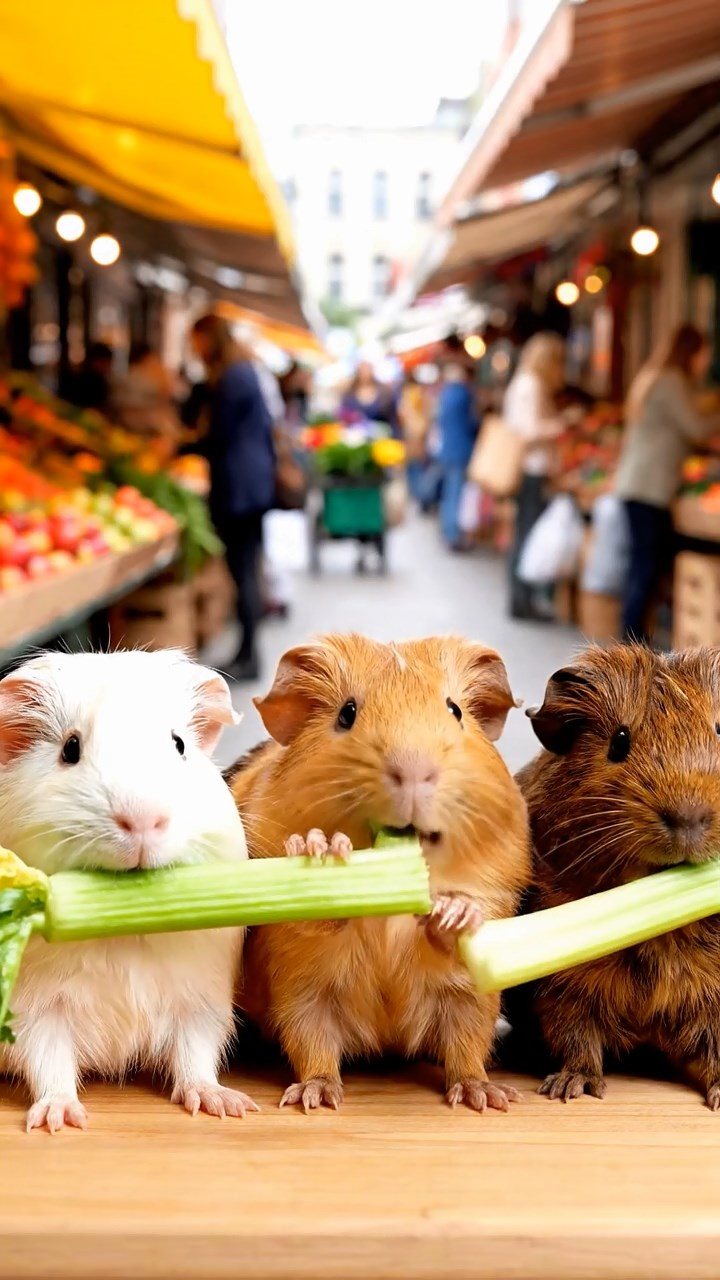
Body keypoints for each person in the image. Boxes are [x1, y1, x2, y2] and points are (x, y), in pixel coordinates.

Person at [616, 323, 717, 643]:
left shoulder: (658, 377)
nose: (706, 361)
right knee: (646, 569)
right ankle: (631, 649)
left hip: (641, 485)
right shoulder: (672, 381)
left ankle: (633, 645)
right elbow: (696, 428)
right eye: (704, 354)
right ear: (692, 352)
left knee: (646, 567)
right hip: (648, 487)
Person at [190, 312, 276, 682]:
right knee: (246, 569)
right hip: (252, 482)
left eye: (195, 341)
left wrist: (186, 443)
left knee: (244, 571)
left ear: (209, 339)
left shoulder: (233, 376)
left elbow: (219, 434)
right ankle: (247, 651)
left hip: (240, 486)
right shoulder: (244, 370)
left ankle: (249, 655)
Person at [503, 332, 567, 620]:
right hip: (531, 469)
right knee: (526, 534)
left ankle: (523, 598)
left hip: (533, 468)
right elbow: (527, 432)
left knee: (525, 533)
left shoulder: (524, 383)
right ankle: (522, 599)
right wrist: (561, 424)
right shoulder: (530, 386)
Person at [111, 341, 181, 463]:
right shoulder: (138, 376)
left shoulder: (132, 376)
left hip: (143, 432)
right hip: (145, 430)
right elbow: (167, 393)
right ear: (146, 357)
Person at [436, 360, 478, 551]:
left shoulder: (445, 395)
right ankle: (453, 535)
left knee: (449, 493)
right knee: (456, 493)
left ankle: (448, 531)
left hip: (446, 449)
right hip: (461, 449)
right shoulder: (464, 395)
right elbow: (472, 423)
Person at [398, 371, 430, 503]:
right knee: (417, 465)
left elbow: (403, 413)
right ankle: (419, 494)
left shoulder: (410, 393)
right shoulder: (417, 392)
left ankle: (417, 493)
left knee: (414, 466)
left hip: (413, 432)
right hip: (417, 432)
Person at [341, 361, 399, 435]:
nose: (365, 373)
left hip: (382, 435)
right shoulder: (349, 393)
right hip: (356, 436)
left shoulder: (385, 393)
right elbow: (343, 414)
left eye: (367, 370)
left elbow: (392, 417)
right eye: (362, 370)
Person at [69, 341, 114, 412]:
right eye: (106, 362)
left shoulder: (100, 380)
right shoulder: (86, 381)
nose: (108, 367)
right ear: (95, 361)